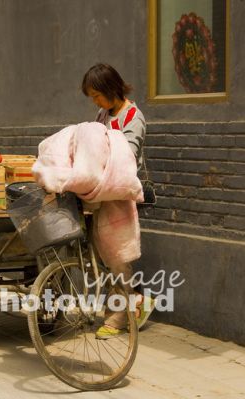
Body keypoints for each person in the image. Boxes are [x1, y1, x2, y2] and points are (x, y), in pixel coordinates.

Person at [81, 63, 155, 339]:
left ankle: (118, 316)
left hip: (121, 193)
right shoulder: (103, 113)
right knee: (101, 252)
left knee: (116, 254)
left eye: (98, 95)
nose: (96, 102)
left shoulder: (133, 117)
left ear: (112, 89)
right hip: (102, 190)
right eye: (93, 98)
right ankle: (133, 299)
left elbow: (127, 155)